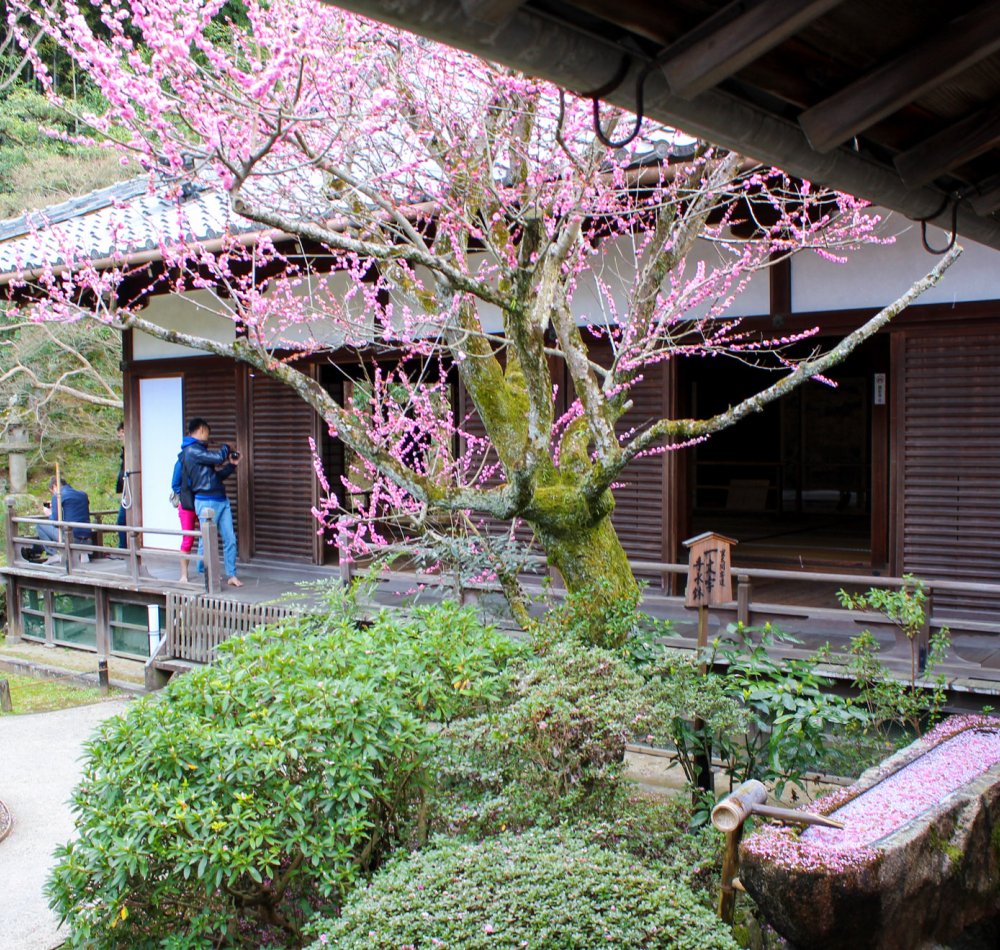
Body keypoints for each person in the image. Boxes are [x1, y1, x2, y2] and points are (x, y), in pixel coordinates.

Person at [181, 417, 242, 587]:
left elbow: (215, 477)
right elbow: (217, 457)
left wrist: (231, 465)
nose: (208, 436)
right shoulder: (192, 450)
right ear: (201, 430)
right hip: (205, 501)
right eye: (207, 432)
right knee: (206, 541)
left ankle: (231, 574)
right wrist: (227, 446)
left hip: (221, 499)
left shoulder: (200, 452)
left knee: (230, 538)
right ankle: (204, 572)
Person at [36, 476, 94, 560]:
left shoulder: (57, 496)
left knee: (40, 524)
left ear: (55, 486)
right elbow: (73, 510)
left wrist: (49, 513)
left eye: (52, 491)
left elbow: (55, 521)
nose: (53, 493)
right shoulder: (83, 494)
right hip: (87, 537)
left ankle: (53, 554)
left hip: (70, 537)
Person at [171, 429, 200, 583]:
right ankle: (184, 574)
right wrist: (185, 495)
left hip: (202, 501)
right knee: (188, 538)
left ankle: (207, 571)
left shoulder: (202, 458)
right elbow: (175, 484)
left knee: (207, 537)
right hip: (187, 504)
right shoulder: (181, 460)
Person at [115, 421, 128, 548]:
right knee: (122, 521)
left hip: (130, 490)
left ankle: (123, 550)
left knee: (122, 521)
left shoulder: (129, 450)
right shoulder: (126, 452)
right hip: (126, 490)